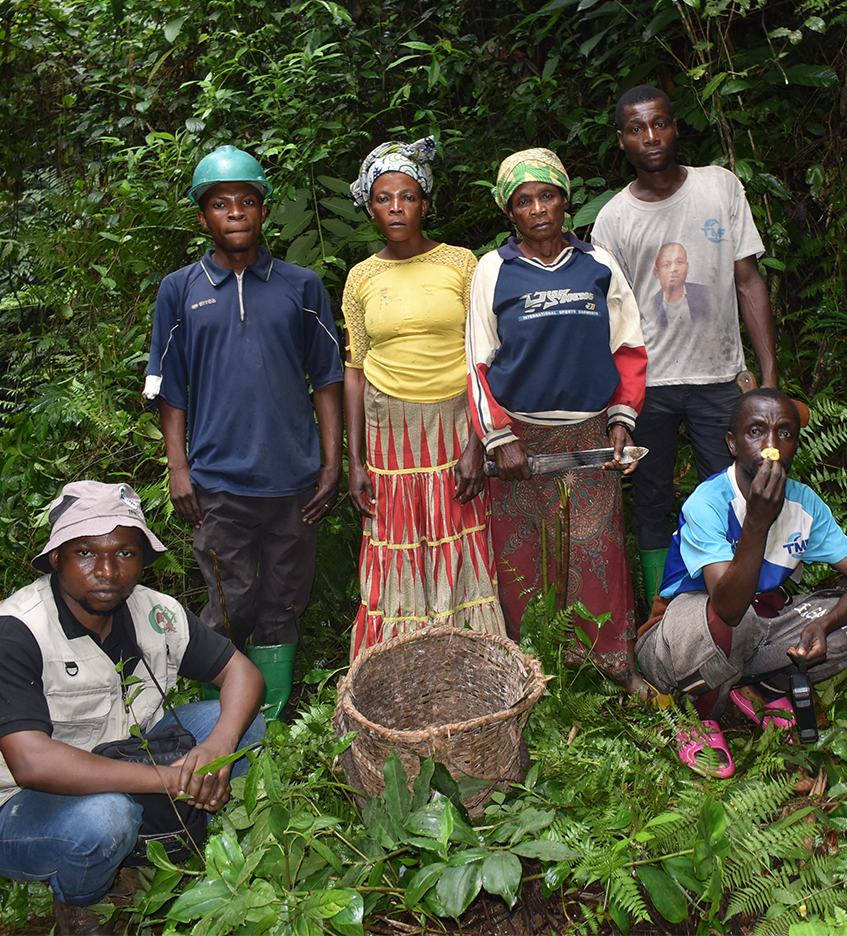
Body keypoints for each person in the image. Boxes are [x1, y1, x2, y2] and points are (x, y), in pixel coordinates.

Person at [0, 481, 265, 933]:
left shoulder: (154, 611)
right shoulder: (19, 631)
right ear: (55, 558)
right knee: (107, 816)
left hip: (126, 759)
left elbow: (244, 675)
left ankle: (146, 845)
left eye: (125, 553)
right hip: (26, 805)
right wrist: (169, 779)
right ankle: (80, 898)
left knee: (246, 728)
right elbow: (31, 762)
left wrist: (217, 748)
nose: (107, 570)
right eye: (85, 552)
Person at [143, 145, 343, 716]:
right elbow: (168, 386)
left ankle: (270, 725)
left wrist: (331, 465)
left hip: (295, 483)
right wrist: (178, 469)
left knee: (283, 599)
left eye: (247, 201)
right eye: (221, 203)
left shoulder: (301, 287)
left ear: (263, 211)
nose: (235, 212)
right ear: (203, 216)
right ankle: (218, 719)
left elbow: (327, 378)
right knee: (231, 603)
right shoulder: (180, 290)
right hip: (218, 483)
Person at [466, 147, 648, 692]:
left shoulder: (599, 265)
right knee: (524, 555)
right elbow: (477, 360)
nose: (538, 208)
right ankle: (533, 669)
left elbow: (629, 347)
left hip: (590, 431)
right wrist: (498, 438)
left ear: (566, 201)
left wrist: (621, 419)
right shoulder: (494, 270)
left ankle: (613, 663)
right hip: (520, 437)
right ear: (509, 211)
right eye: (524, 201)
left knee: (599, 552)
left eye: (548, 195)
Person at [591, 85, 779, 602]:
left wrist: (768, 380)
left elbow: (748, 281)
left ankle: (738, 612)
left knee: (733, 495)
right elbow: (611, 318)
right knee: (650, 499)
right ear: (622, 140)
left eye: (659, 124)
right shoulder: (613, 220)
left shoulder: (719, 188)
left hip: (720, 378)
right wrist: (616, 404)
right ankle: (661, 617)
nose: (650, 137)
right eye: (636, 128)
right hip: (648, 388)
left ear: (676, 127)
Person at [343, 137, 506, 657]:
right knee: (395, 543)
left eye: (408, 196)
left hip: (457, 423)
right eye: (385, 198)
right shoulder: (360, 278)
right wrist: (356, 460)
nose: (396, 208)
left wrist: (479, 442)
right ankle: (398, 660)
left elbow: (488, 353)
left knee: (459, 530)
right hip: (388, 429)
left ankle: (472, 658)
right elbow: (354, 370)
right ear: (370, 206)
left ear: (425, 203)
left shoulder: (461, 263)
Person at [636, 390, 847, 777]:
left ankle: (763, 691)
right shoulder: (708, 502)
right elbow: (728, 608)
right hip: (679, 638)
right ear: (732, 443)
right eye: (755, 431)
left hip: (759, 632)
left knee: (836, 617)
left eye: (785, 433)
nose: (771, 447)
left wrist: (825, 623)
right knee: (739, 618)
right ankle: (698, 718)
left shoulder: (805, 504)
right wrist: (757, 522)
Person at [651, 242, 710, 329]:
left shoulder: (706, 295)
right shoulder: (651, 305)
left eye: (679, 262)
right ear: (656, 272)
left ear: (687, 267)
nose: (674, 269)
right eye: (667, 264)